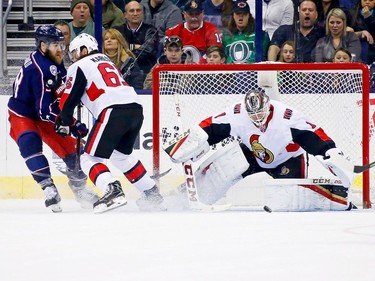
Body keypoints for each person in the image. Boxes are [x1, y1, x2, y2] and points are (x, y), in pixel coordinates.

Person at [165, 90, 355, 210]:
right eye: (252, 115)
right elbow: (212, 126)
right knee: (221, 170)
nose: (257, 119)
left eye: (260, 113)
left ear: (269, 106)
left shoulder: (287, 117)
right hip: (252, 153)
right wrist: (194, 140)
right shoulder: (237, 112)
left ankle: (340, 202)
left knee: (289, 203)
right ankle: (181, 198)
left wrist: (330, 152)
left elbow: (313, 134)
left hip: (288, 159)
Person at [55, 33, 166, 213]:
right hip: (135, 108)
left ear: (84, 50)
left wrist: (64, 121)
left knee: (88, 157)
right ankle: (152, 194)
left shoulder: (79, 65)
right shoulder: (107, 61)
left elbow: (68, 100)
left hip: (113, 110)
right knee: (120, 156)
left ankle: (112, 190)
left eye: (75, 52)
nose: (73, 57)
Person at [7, 25, 99, 212]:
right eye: (55, 45)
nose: (60, 50)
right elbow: (44, 110)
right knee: (29, 143)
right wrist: (72, 124)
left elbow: (59, 94)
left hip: (45, 115)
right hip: (23, 114)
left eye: (61, 44)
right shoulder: (38, 69)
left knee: (74, 151)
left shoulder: (52, 60)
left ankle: (80, 189)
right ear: (42, 45)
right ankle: (48, 187)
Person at [114, 0, 159, 80]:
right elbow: (114, 50)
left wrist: (125, 50)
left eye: (138, 10)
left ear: (142, 13)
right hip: (121, 71)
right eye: (132, 11)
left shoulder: (151, 30)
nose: (135, 13)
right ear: (125, 15)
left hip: (145, 71)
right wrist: (134, 46)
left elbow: (147, 50)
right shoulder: (117, 30)